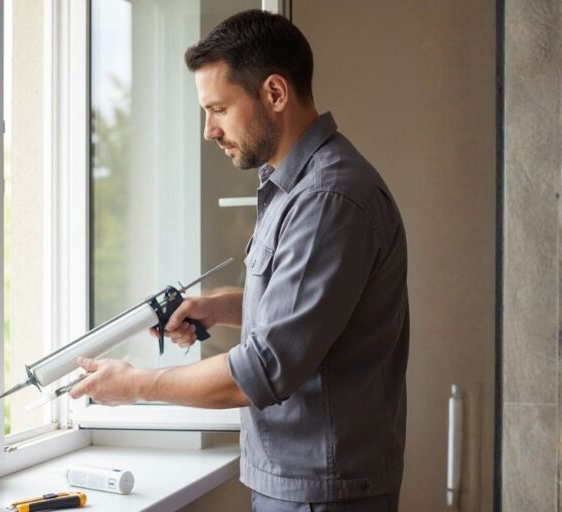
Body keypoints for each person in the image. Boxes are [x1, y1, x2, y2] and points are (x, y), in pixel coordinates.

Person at [70, 9, 408, 512]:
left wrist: (135, 384)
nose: (208, 130)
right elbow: (311, 315)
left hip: (322, 494)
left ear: (274, 94)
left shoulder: (328, 197)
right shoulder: (295, 188)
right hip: (303, 484)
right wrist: (223, 307)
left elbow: (263, 369)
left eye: (219, 109)